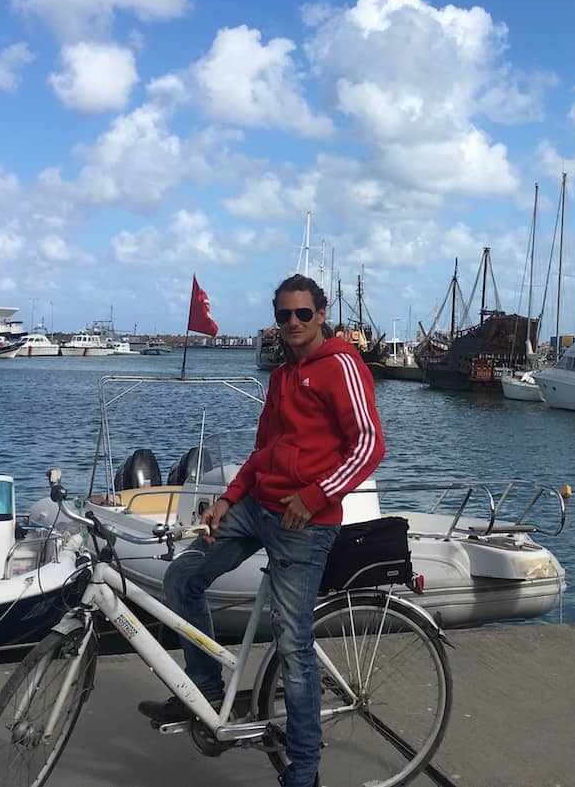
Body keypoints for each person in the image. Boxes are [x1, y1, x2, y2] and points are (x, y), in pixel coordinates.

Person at [138, 273, 385, 787]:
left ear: (320, 315)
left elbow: (368, 445)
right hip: (258, 506)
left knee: (293, 646)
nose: (292, 323)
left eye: (302, 314)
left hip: (305, 522)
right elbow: (263, 452)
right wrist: (229, 498)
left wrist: (315, 496)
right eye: (283, 315)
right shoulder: (281, 376)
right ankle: (205, 692)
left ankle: (304, 772)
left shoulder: (341, 365)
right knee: (182, 580)